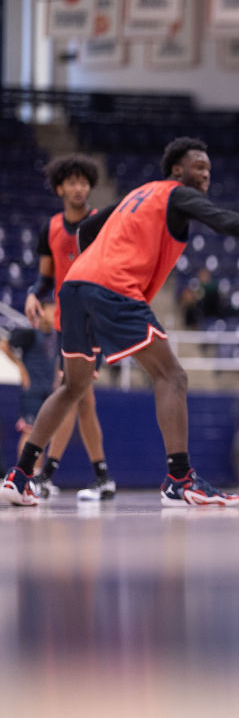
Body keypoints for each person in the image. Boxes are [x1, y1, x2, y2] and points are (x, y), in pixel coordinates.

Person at [0, 136, 239, 507]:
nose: (206, 174)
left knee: (72, 387)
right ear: (178, 169)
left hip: (76, 285)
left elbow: (85, 233)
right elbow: (224, 221)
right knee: (172, 376)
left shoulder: (140, 193)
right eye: (199, 167)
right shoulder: (177, 193)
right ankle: (180, 479)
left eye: (208, 168)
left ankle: (20, 476)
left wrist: (95, 264)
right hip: (112, 287)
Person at [24, 154, 114, 501]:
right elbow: (45, 278)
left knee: (70, 392)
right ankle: (101, 478)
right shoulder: (51, 228)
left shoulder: (101, 223)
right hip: (64, 322)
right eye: (72, 182)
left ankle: (45, 474)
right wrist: (34, 294)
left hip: (93, 321)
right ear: (60, 187)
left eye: (84, 182)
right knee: (81, 399)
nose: (79, 188)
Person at [1, 300, 59, 471]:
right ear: (41, 311)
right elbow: (4, 345)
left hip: (48, 389)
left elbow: (54, 360)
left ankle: (37, 474)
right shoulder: (30, 333)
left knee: (44, 433)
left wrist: (56, 380)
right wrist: (21, 369)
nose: (53, 315)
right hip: (32, 390)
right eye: (50, 311)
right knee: (29, 431)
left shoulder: (55, 336)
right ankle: (24, 474)